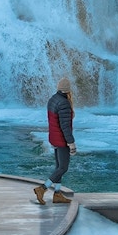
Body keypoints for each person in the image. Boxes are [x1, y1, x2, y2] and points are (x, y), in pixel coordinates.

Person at [34, 77, 77, 205]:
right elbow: (65, 126)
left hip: (54, 137)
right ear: (68, 91)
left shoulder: (53, 99)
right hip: (61, 139)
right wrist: (71, 143)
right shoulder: (64, 103)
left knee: (59, 167)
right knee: (63, 168)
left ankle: (57, 194)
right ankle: (42, 188)